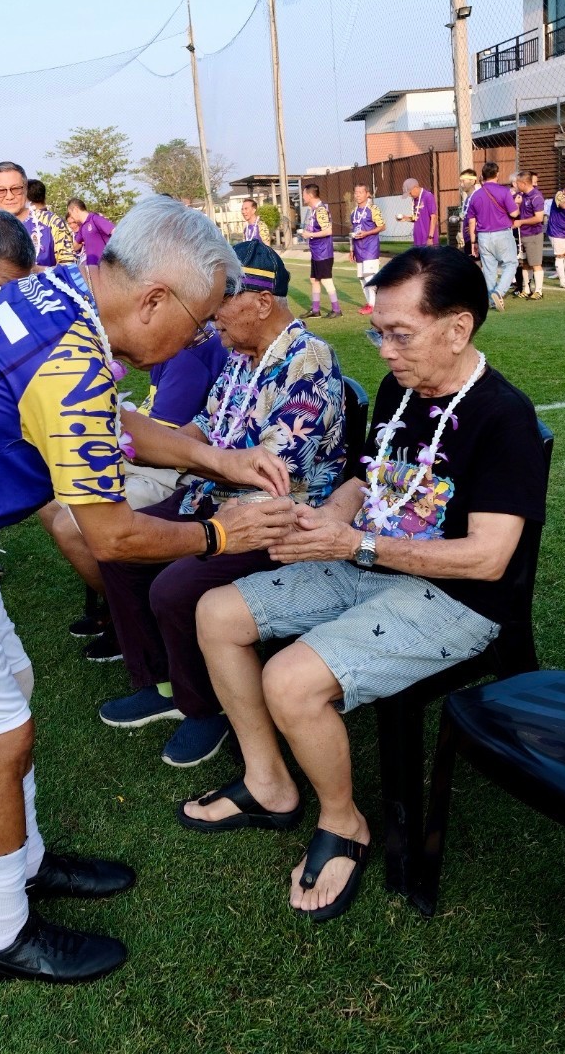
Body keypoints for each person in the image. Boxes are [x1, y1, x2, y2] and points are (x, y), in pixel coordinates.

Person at [0, 198, 295, 983]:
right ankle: (2, 937)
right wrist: (221, 534)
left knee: (12, 688)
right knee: (1, 736)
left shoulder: (62, 291)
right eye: (199, 320)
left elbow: (111, 418)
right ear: (153, 300)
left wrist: (218, 460)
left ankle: (24, 861)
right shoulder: (72, 355)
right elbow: (113, 537)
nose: (200, 337)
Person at [179, 245, 547, 924]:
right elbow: (362, 475)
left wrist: (354, 544)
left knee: (289, 680)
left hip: (457, 599)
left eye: (399, 334)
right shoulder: (399, 390)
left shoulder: (503, 417)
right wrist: (327, 520)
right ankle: (268, 782)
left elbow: (488, 559)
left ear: (457, 328)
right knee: (215, 612)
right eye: (379, 333)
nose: (384, 351)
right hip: (370, 563)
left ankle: (343, 820)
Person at [91, 241, 346, 769]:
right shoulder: (239, 357)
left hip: (275, 518)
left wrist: (188, 462)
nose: (210, 314)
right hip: (214, 497)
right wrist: (154, 449)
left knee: (174, 586)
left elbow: (276, 472)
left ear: (262, 302)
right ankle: (162, 683)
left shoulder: (309, 360)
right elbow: (206, 429)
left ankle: (205, 707)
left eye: (222, 299)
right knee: (120, 548)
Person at [51, 323, 229, 651]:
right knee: (51, 502)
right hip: (158, 460)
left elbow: (160, 447)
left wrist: (100, 436)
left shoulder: (188, 356)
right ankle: (121, 612)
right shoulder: (178, 344)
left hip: (173, 472)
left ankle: (133, 620)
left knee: (68, 525)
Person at [466, 161, 519, 311]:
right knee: (511, 263)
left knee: (489, 269)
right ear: (497, 174)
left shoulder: (476, 195)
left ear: (482, 176)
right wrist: (517, 204)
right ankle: (499, 292)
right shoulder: (504, 191)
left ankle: (492, 300)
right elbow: (514, 213)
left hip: (483, 236)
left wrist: (473, 242)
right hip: (502, 233)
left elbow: (471, 220)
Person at [0, 162, 56, 268]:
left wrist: (38, 271)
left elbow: (70, 270)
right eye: (1, 191)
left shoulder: (51, 222)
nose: (9, 196)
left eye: (16, 189)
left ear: (25, 188)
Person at [299, 182, 341, 319]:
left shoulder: (321, 210)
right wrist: (307, 233)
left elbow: (328, 231)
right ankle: (315, 310)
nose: (303, 197)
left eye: (304, 194)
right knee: (314, 280)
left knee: (326, 280)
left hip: (323, 252)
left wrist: (310, 234)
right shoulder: (314, 210)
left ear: (310, 195)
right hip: (317, 252)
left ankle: (337, 309)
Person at [348, 184, 384, 317]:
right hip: (358, 248)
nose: (357, 195)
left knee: (369, 275)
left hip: (370, 247)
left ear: (367, 194)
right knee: (362, 277)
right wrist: (351, 249)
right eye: (356, 192)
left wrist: (367, 233)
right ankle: (370, 302)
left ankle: (373, 304)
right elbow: (353, 231)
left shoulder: (373, 209)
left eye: (360, 192)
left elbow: (382, 226)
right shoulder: (354, 212)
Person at [512, 171, 546, 300]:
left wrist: (521, 222)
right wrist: (517, 204)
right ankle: (526, 289)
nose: (516, 185)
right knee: (525, 263)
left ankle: (538, 291)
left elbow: (539, 218)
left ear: (524, 183)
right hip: (523, 234)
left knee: (535, 263)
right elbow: (516, 213)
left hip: (533, 234)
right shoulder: (522, 196)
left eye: (518, 183)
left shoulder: (536, 197)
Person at [27, 179, 75, 264]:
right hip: (50, 271)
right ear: (44, 196)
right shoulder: (55, 221)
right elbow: (67, 260)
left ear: (26, 198)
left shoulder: (18, 221)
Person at [66, 197, 115, 266]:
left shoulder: (95, 219)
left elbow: (116, 232)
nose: (71, 217)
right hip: (92, 268)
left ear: (76, 210)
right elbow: (75, 246)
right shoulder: (82, 227)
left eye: (70, 213)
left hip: (105, 266)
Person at [397, 178, 438, 248]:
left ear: (415, 188)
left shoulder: (428, 196)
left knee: (429, 255)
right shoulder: (415, 199)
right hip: (418, 239)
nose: (410, 195)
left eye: (410, 193)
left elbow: (434, 217)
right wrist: (405, 218)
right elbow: (417, 218)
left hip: (428, 238)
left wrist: (430, 237)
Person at [457, 168, 479, 254]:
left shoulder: (477, 197)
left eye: (463, 181)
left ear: (472, 181)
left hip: (475, 238)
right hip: (467, 238)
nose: (461, 184)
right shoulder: (467, 199)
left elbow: (483, 215)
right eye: (460, 181)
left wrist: (475, 226)